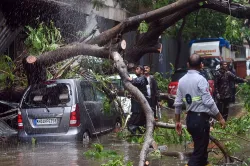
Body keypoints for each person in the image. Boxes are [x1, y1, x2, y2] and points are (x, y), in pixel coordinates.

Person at [174, 54, 226, 166]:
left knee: (202, 153)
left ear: (188, 64)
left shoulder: (181, 81)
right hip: (200, 121)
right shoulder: (201, 79)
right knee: (199, 153)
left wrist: (177, 121)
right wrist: (220, 118)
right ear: (201, 65)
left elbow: (178, 103)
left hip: (190, 120)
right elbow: (208, 102)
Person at [127, 65, 148, 134]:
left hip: (138, 107)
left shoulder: (142, 78)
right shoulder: (140, 78)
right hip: (137, 106)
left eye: (137, 69)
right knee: (135, 122)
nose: (136, 70)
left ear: (141, 71)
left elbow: (137, 82)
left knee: (131, 123)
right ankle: (138, 135)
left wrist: (131, 80)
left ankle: (136, 135)